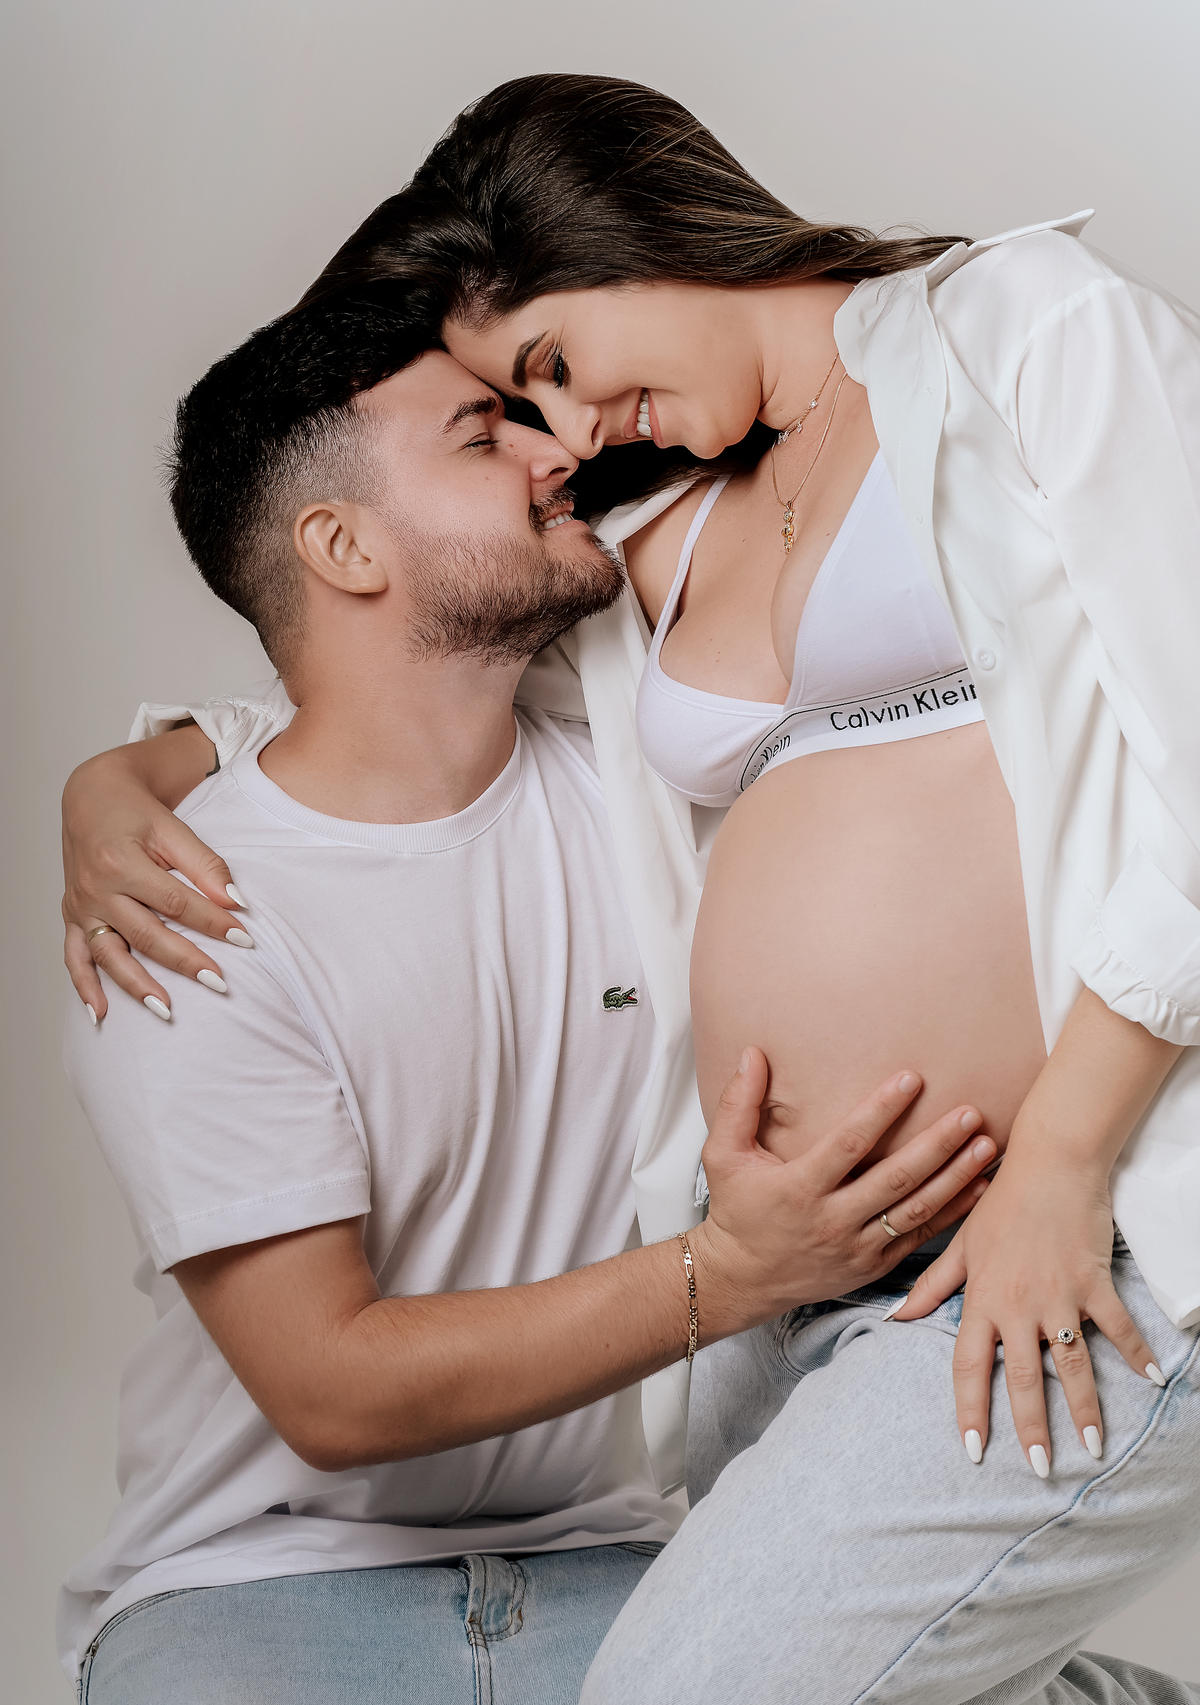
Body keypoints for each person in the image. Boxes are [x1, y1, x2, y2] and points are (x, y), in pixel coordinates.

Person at [60, 75, 1200, 1703]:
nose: (568, 436)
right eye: (510, 412)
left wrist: (1063, 1162)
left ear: (615, 229)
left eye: (547, 367)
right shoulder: (654, 531)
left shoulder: (1022, 329)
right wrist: (125, 776)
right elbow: (385, 710)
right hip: (776, 1301)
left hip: (1072, 1225)